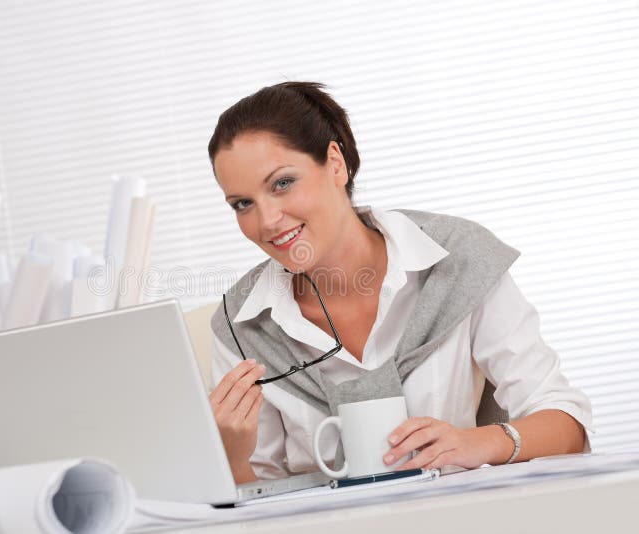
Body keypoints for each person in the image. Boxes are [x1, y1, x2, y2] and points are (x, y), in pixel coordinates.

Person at [205, 81, 592, 484]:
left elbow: (565, 422)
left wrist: (480, 443)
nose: (266, 221)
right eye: (242, 204)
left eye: (282, 183)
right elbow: (259, 500)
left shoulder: (457, 258)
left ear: (335, 163)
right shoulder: (240, 324)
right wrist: (232, 459)